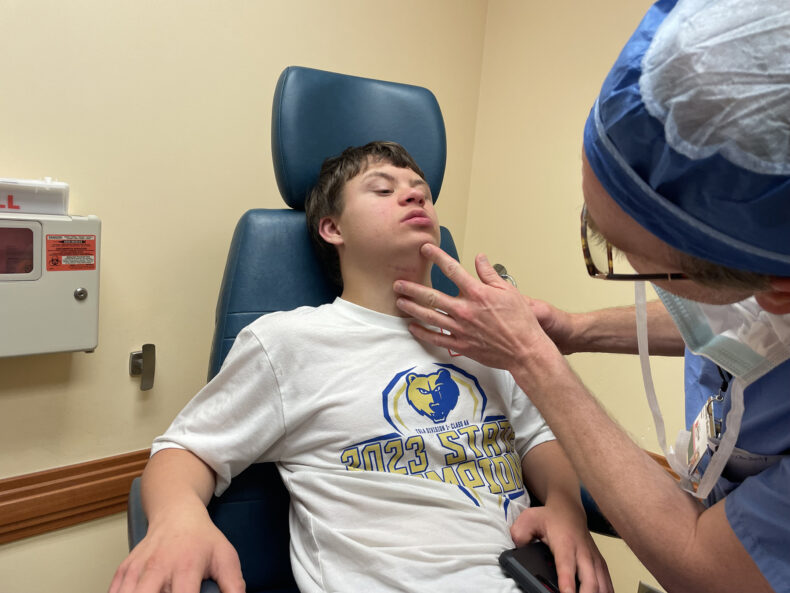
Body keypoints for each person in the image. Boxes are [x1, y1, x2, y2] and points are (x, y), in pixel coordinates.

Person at [392, 1, 790, 592]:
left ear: (777, 286)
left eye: (624, 251)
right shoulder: (288, 339)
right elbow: (741, 324)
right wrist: (573, 331)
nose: (413, 200)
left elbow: (706, 567)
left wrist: (534, 363)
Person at [109, 141, 612, 593]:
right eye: (383, 188)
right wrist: (178, 519)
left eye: (421, 191)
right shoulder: (292, 342)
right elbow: (184, 449)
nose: (415, 197)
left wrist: (566, 505)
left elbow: (537, 438)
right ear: (333, 227)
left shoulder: (485, 335)